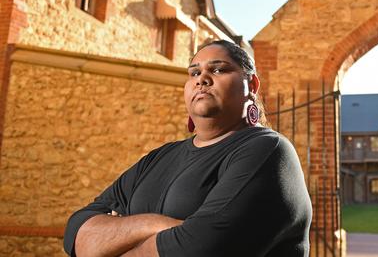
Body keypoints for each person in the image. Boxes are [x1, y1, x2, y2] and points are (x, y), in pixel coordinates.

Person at [63, 40, 312, 257]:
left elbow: (200, 250)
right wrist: (156, 225)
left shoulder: (269, 151)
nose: (202, 79)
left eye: (218, 69)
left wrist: (114, 239)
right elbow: (77, 234)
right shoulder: (159, 158)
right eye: (194, 73)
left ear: (252, 85)